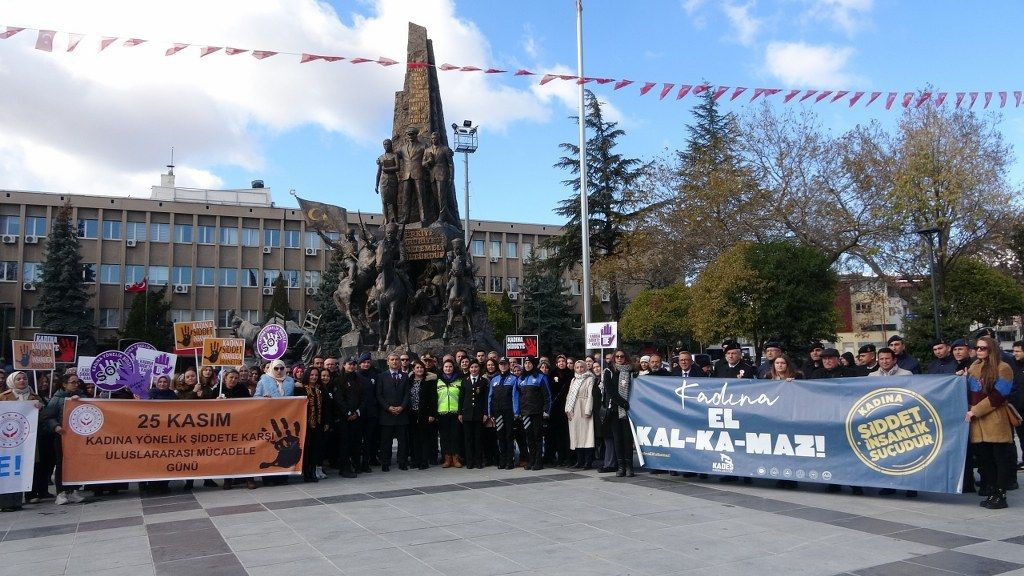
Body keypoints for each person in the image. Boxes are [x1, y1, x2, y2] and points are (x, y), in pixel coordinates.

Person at [966, 336, 1016, 509]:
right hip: (977, 422)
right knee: (985, 460)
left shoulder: (1004, 368)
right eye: (977, 348)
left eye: (983, 348)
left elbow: (998, 396)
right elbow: (970, 392)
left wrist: (975, 411)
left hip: (994, 419)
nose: (979, 350)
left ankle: (1000, 494)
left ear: (992, 349)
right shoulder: (974, 367)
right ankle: (993, 491)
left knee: (999, 459)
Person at [0, 372, 44, 511]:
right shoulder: (3, 397)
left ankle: (17, 501)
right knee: (8, 470)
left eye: (24, 378)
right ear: (12, 381)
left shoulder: (35, 397)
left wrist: (40, 409)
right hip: (7, 442)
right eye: (18, 379)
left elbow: (43, 418)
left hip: (26, 441)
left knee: (22, 469)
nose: (22, 381)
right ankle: (6, 503)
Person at [42, 373, 87, 505]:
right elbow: (47, 417)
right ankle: (61, 492)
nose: (76, 384)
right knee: (62, 464)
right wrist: (56, 426)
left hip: (78, 437)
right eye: (72, 382)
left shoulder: (82, 396)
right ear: (64, 384)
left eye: (77, 382)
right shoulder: (57, 399)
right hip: (62, 437)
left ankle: (73, 490)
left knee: (77, 463)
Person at [254, 359, 296, 486]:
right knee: (269, 446)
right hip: (269, 419)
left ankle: (282, 476)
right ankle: (268, 477)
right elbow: (255, 397)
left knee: (285, 447)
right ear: (272, 368)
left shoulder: (290, 381)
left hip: (285, 419)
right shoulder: (264, 380)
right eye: (276, 368)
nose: (279, 371)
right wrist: (263, 398)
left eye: (281, 368)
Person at [517, 357, 552, 471]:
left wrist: (546, 410)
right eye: (526, 363)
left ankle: (538, 461)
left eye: (529, 363)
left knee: (537, 437)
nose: (527, 365)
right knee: (529, 437)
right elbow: (516, 396)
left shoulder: (540, 377)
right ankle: (531, 460)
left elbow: (547, 396)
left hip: (537, 412)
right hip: (525, 413)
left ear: (534, 364)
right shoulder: (521, 378)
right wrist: (517, 411)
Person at [377, 353, 410, 472]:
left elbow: (407, 394)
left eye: (397, 360)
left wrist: (402, 407)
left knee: (402, 440)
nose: (395, 362)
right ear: (388, 362)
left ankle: (402, 462)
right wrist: (388, 407)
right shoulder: (381, 376)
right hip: (387, 414)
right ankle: (385, 462)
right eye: (392, 360)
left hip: (402, 413)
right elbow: (379, 395)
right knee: (386, 441)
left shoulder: (405, 376)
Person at [605, 351, 634, 477]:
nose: (620, 358)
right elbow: (610, 391)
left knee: (627, 439)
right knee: (618, 439)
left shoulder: (631, 371)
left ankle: (629, 467)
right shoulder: (609, 371)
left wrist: (627, 405)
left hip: (629, 411)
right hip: (615, 410)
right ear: (613, 358)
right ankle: (621, 466)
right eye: (617, 356)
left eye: (622, 356)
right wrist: (622, 403)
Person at [488, 358, 519, 470]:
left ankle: (510, 460)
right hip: (497, 412)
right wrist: (490, 411)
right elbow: (490, 397)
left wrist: (516, 412)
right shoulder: (494, 379)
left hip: (509, 412)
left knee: (509, 436)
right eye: (501, 364)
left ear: (508, 365)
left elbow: (515, 397)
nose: (503, 366)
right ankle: (503, 460)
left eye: (505, 364)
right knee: (500, 436)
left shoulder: (514, 379)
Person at [297, 367, 327, 482]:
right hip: (305, 424)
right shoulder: (301, 388)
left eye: (316, 375)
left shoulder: (320, 389)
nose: (314, 377)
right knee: (307, 450)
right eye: (311, 375)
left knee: (316, 449)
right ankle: (307, 473)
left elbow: (325, 407)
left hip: (318, 423)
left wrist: (325, 422)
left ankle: (313, 471)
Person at [565, 360, 596, 469]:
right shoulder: (573, 379)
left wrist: (588, 410)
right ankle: (579, 461)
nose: (579, 369)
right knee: (576, 435)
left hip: (583, 409)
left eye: (581, 367)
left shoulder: (589, 379)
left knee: (586, 436)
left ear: (585, 367)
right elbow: (569, 395)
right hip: (574, 410)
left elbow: (590, 396)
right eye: (577, 367)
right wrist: (567, 409)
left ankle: (588, 462)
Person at [407, 360, 437, 470]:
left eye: (421, 368)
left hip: (424, 413)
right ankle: (415, 460)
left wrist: (432, 414)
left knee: (424, 438)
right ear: (413, 370)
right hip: (412, 413)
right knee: (414, 437)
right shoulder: (409, 381)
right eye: (417, 367)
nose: (419, 369)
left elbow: (433, 399)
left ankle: (424, 461)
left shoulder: (429, 382)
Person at [459, 361, 488, 469]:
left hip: (478, 414)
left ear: (479, 368)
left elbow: (485, 398)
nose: (474, 369)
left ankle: (478, 461)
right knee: (468, 439)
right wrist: (460, 412)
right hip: (467, 414)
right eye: (472, 367)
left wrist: (485, 413)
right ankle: (469, 461)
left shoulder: (483, 381)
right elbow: (461, 398)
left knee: (478, 438)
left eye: (476, 367)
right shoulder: (464, 381)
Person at [546, 355, 573, 466]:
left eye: (563, 361)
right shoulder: (552, 374)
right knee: (555, 434)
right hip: (555, 408)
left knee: (566, 434)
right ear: (556, 363)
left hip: (566, 407)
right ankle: (556, 457)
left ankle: (567, 457)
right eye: (559, 361)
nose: (561, 363)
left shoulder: (570, 374)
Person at [436, 359, 463, 468]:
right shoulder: (438, 381)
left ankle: (455, 458)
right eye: (446, 367)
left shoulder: (459, 380)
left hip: (455, 412)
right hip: (442, 413)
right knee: (444, 437)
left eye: (450, 366)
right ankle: (447, 458)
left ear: (454, 368)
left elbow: (462, 398)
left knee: (455, 436)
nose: (448, 368)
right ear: (443, 368)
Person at [375, 138, 400, 223]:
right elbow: (378, 172)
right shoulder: (381, 157)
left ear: (391, 145)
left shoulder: (394, 155)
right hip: (383, 181)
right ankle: (386, 220)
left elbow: (397, 167)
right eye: (385, 144)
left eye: (388, 144)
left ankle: (396, 219)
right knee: (384, 201)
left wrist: (387, 169)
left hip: (393, 180)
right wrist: (376, 185)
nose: (386, 146)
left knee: (394, 201)